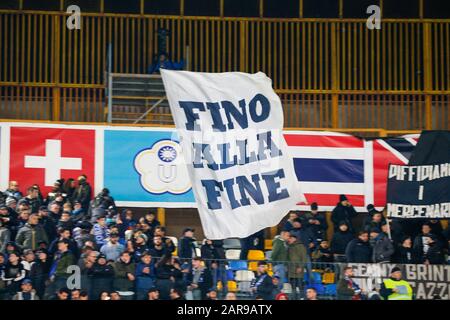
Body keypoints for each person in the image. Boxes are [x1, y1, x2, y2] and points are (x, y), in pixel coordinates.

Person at [287, 234, 308, 298]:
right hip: (291, 270)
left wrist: (300, 267)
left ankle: (303, 298)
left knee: (300, 286)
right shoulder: (289, 247)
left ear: (294, 238)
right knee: (293, 288)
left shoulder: (300, 246)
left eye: (290, 238)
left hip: (298, 270)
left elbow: (304, 257)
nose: (289, 239)